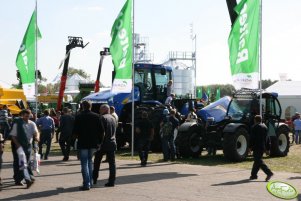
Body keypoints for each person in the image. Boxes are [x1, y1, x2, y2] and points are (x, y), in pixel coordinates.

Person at [72, 101, 104, 191]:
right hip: (93, 143)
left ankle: (87, 183)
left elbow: (75, 132)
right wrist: (100, 142)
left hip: (83, 143)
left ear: (82, 106)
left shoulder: (78, 116)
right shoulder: (97, 116)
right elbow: (102, 131)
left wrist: (73, 142)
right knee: (90, 162)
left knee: (84, 163)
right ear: (91, 106)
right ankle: (90, 181)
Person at [10, 109, 39, 189]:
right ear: (22, 115)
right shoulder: (18, 123)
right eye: (25, 116)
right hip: (18, 146)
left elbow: (36, 132)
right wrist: (18, 145)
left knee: (27, 162)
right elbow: (13, 136)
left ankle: (21, 179)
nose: (27, 118)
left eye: (28, 116)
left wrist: (37, 137)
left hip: (28, 146)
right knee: (21, 163)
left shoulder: (32, 124)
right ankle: (27, 179)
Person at [93, 104, 117, 187]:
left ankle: (94, 179)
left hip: (103, 143)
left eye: (100, 110)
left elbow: (101, 132)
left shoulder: (102, 118)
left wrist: (99, 143)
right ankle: (112, 181)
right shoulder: (113, 118)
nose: (99, 111)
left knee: (97, 162)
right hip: (112, 143)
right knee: (112, 164)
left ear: (104, 110)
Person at [249, 115, 273, 181]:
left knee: (258, 160)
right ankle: (253, 175)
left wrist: (250, 147)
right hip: (263, 147)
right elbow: (267, 138)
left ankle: (269, 172)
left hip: (256, 146)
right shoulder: (265, 127)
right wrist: (268, 148)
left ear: (255, 120)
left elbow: (252, 138)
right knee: (257, 160)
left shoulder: (254, 127)